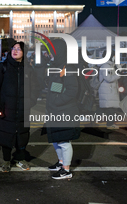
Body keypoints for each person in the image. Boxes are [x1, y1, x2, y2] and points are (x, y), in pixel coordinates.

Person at [0, 42, 39, 172]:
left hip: (23, 110)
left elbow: (35, 88)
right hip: (6, 109)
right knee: (6, 136)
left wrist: (31, 102)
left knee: (22, 136)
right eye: (14, 48)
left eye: (19, 49)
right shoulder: (3, 67)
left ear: (24, 52)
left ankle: (20, 159)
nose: (15, 51)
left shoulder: (28, 69)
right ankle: (6, 160)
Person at [45, 39, 81, 180]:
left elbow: (72, 90)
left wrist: (57, 101)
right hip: (57, 109)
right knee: (57, 139)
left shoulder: (68, 66)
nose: (49, 55)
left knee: (64, 141)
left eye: (51, 52)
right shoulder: (59, 65)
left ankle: (66, 170)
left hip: (65, 110)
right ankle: (61, 163)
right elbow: (58, 86)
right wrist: (54, 99)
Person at [98, 50, 121, 129]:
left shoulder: (110, 65)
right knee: (110, 109)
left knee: (108, 108)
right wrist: (118, 75)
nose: (115, 57)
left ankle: (109, 124)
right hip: (107, 90)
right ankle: (110, 125)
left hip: (108, 90)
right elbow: (108, 78)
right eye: (114, 56)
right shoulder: (106, 66)